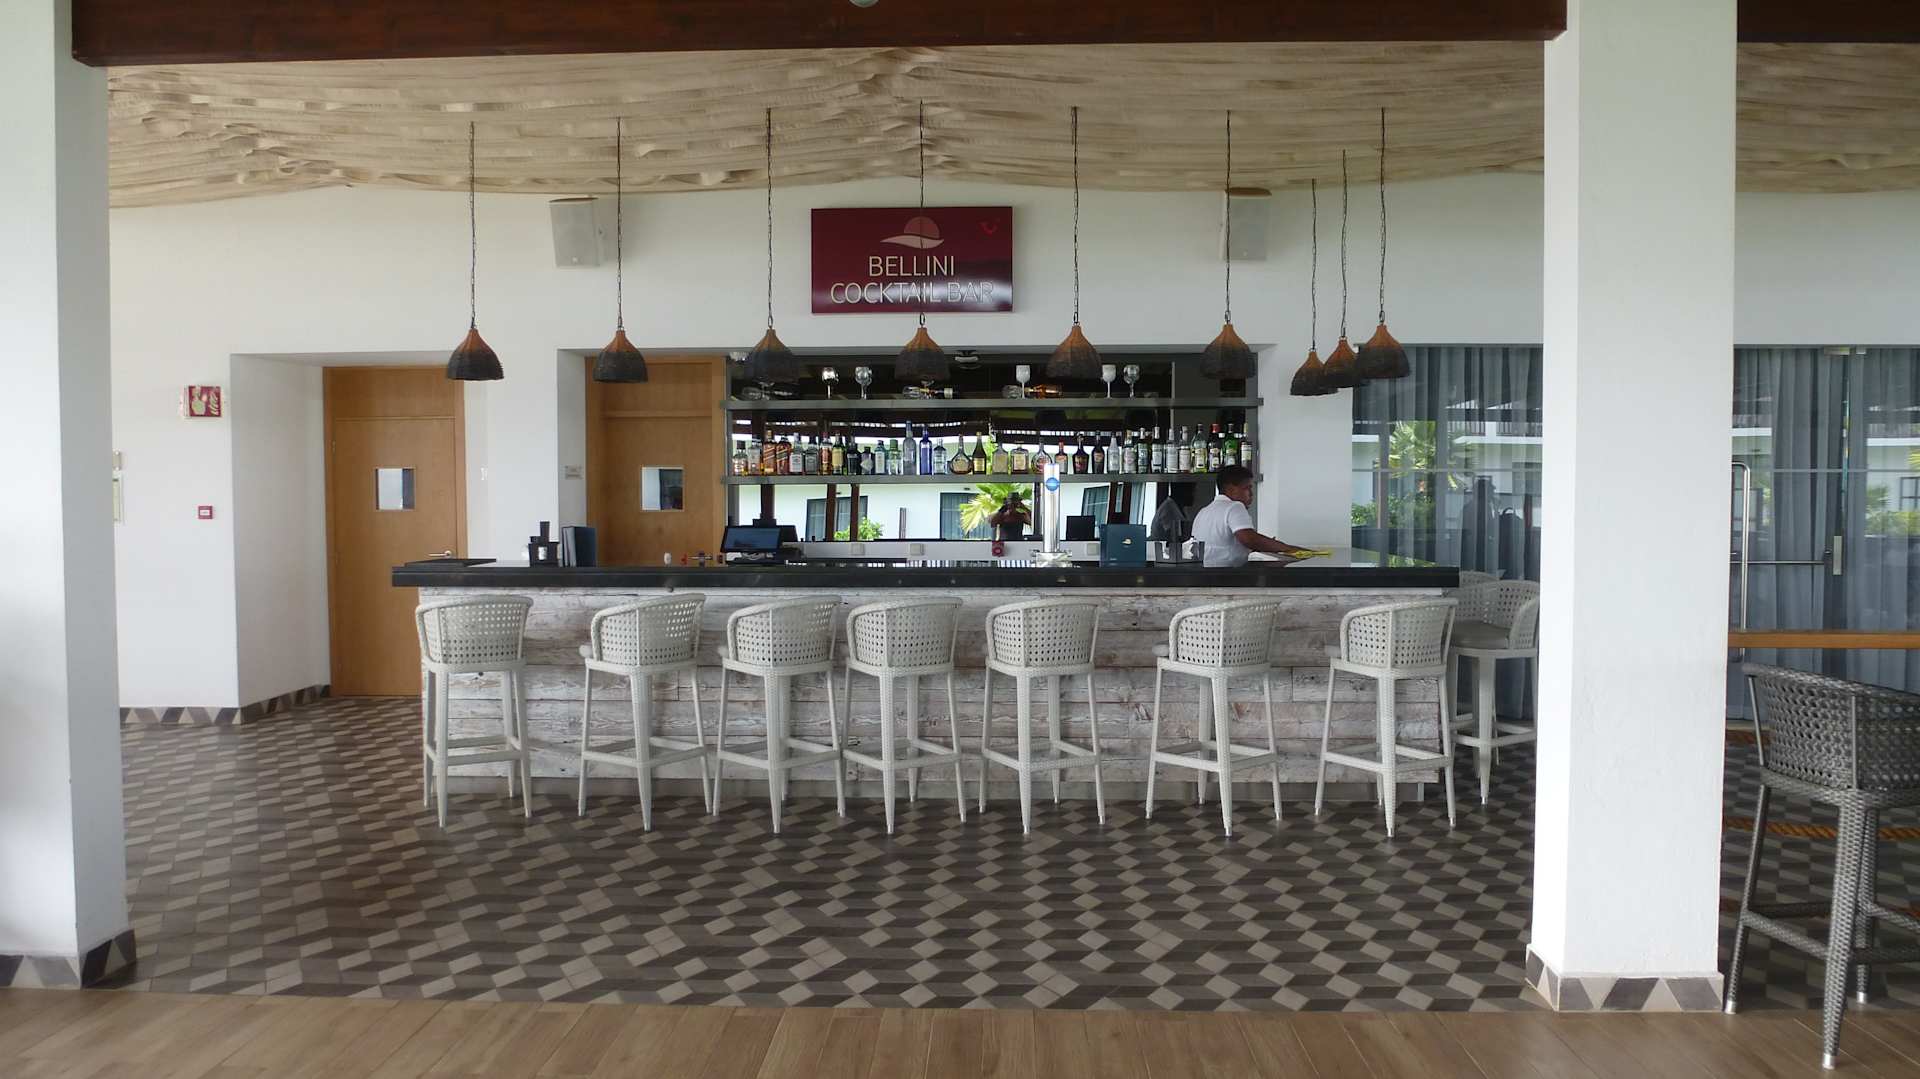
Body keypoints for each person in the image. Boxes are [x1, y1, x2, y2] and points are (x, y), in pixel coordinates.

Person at [1192, 464, 1316, 568]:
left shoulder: (1204, 511)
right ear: (1231, 490)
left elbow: (1222, 545)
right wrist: (1290, 549)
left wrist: (1265, 546)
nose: (1251, 494)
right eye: (1247, 488)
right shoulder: (1234, 507)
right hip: (1226, 576)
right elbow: (1250, 540)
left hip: (1205, 575)